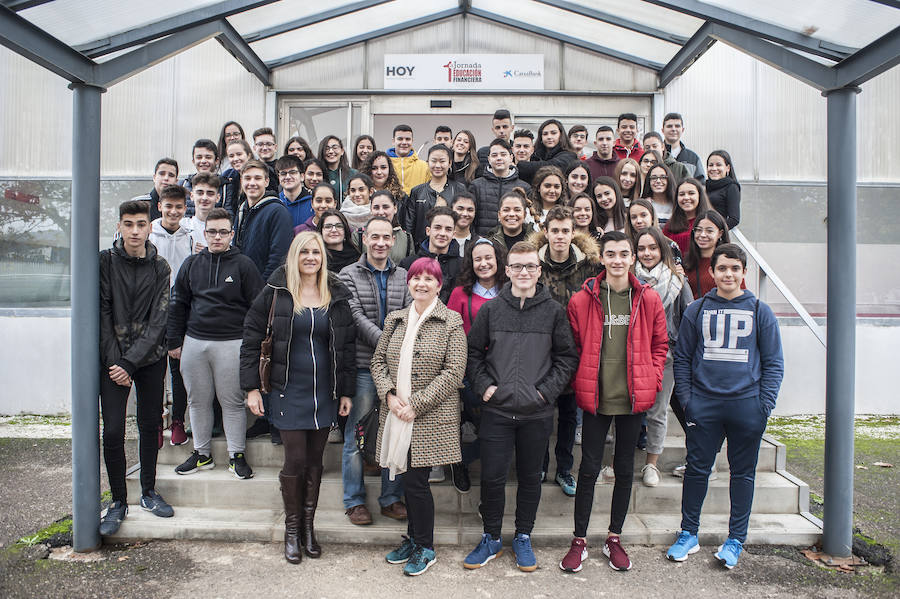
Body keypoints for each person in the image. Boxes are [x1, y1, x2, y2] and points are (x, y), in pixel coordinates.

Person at [463, 241, 579, 572]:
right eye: (517, 266)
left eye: (530, 266)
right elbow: (472, 354)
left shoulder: (553, 311)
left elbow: (566, 357)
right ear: (507, 270)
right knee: (492, 477)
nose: (523, 272)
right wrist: (484, 387)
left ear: (539, 270)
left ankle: (523, 536)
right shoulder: (492, 310)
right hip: (497, 412)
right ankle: (491, 538)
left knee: (530, 478)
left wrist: (545, 393)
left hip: (536, 412)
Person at [666, 243, 784, 569]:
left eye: (735, 268)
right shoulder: (697, 310)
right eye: (722, 268)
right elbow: (683, 358)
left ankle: (735, 539)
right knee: (697, 471)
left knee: (742, 474)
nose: (728, 274)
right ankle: (688, 533)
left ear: (744, 272)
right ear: (712, 272)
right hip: (704, 405)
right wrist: (688, 402)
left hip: (747, 407)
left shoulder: (760, 311)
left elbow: (774, 363)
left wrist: (764, 405)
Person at [241, 232, 356, 563]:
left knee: (316, 462)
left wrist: (346, 391)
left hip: (324, 394)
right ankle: (292, 531)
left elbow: (346, 347)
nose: (310, 257)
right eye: (304, 251)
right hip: (286, 390)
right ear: (294, 256)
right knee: (295, 461)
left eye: (316, 252)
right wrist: (251, 388)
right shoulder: (275, 293)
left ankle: (308, 528)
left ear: (323, 257)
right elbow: (251, 339)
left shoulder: (334, 293)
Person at [559, 230, 668, 573]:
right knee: (588, 469)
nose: (618, 260)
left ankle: (613, 537)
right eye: (611, 254)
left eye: (624, 253)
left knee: (624, 470)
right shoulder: (582, 299)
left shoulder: (648, 298)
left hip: (633, 398)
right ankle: (579, 540)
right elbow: (573, 347)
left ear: (632, 257)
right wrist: (581, 380)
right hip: (596, 397)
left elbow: (660, 345)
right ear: (602, 258)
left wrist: (652, 380)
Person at [373, 257, 468, 576]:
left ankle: (425, 547)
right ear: (409, 282)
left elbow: (454, 372)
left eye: (430, 279)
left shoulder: (451, 321)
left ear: (440, 285)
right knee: (407, 482)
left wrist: (416, 403)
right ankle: (414, 539)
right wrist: (388, 394)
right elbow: (377, 363)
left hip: (429, 417)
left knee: (416, 483)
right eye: (416, 278)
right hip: (396, 413)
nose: (422, 283)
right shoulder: (395, 320)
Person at [169, 207, 264, 479]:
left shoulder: (244, 265)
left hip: (232, 343)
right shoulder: (191, 264)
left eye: (223, 232)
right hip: (195, 342)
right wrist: (174, 341)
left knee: (232, 402)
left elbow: (258, 308)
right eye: (212, 232)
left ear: (232, 234)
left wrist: (251, 344)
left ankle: (236, 455)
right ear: (205, 232)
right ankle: (202, 454)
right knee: (197, 401)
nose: (217, 237)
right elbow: (178, 304)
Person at [98, 200, 174, 536]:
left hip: (150, 359)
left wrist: (130, 363)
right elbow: (101, 314)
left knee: (149, 424)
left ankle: (147, 491)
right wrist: (117, 362)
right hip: (113, 360)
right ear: (119, 226)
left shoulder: (160, 267)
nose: (134, 230)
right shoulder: (104, 262)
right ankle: (118, 500)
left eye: (140, 224)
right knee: (113, 430)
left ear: (149, 226)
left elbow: (159, 321)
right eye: (128, 224)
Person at [337, 216, 411, 526]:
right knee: (357, 436)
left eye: (386, 237)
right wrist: (386, 344)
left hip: (398, 369)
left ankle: (390, 498)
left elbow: (410, 312)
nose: (380, 242)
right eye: (374, 237)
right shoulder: (347, 275)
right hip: (364, 366)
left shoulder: (404, 276)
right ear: (364, 239)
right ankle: (354, 501)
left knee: (395, 434)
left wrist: (392, 351)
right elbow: (352, 315)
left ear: (393, 241)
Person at [531, 206, 601, 498]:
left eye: (565, 231)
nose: (559, 236)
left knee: (570, 416)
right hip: (541, 351)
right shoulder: (533, 264)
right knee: (543, 412)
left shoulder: (590, 267)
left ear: (574, 234)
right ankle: (540, 466)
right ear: (546, 232)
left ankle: (564, 468)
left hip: (576, 351)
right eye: (554, 230)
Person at [445, 239, 509, 492]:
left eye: (488, 258)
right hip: (468, 369)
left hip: (502, 368)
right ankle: (458, 462)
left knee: (493, 429)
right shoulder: (461, 293)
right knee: (476, 415)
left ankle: (475, 465)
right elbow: (450, 332)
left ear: (498, 260)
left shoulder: (509, 290)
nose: (483, 264)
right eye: (478, 259)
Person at [633, 227, 693, 487]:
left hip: (666, 355)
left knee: (658, 411)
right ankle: (615, 462)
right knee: (627, 410)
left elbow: (689, 320)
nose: (647, 253)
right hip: (632, 353)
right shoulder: (627, 279)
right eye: (642, 248)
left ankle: (652, 464)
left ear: (662, 250)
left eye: (653, 248)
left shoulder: (678, 282)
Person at [148, 185, 193, 447]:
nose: (173, 211)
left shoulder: (191, 234)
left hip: (181, 309)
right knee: (155, 370)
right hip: (153, 308)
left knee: (178, 369)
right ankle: (155, 420)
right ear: (160, 207)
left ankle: (178, 420)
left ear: (185, 209)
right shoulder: (150, 233)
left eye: (179, 207)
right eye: (169, 206)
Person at [234, 159, 294, 280]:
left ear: (266, 182)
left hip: (264, 289)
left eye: (257, 178)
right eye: (247, 178)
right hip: (242, 286)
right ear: (241, 181)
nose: (252, 183)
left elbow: (279, 257)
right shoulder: (241, 209)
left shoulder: (278, 211)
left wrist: (263, 289)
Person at [402, 144, 466, 245]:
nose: (437, 165)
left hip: (452, 247)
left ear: (449, 163)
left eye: (442, 161)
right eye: (434, 161)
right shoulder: (417, 192)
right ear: (427, 162)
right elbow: (409, 226)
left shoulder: (460, 189)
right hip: (422, 248)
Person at [469, 138, 531, 235]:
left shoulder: (524, 187)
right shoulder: (476, 186)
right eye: (494, 155)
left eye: (503, 154)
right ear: (489, 159)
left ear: (511, 158)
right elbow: (470, 218)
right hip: (483, 243)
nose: (499, 158)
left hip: (514, 244)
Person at [401, 206, 462, 302]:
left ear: (453, 234)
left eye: (448, 229)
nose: (442, 233)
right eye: (437, 228)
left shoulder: (462, 266)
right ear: (428, 231)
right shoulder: (408, 264)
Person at [684, 210, 740, 299]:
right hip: (694, 312)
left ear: (720, 233)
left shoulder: (730, 263)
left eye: (709, 231)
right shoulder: (686, 263)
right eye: (698, 230)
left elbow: (740, 296)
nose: (702, 235)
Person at [516, 119, 578, 185]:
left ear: (561, 135)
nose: (549, 137)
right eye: (545, 134)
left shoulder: (569, 156)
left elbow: (551, 166)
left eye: (553, 133)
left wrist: (519, 165)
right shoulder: (536, 155)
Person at [627, 198, 684, 267]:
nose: (639, 221)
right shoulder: (626, 247)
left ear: (652, 217)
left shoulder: (670, 246)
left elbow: (678, 274)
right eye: (634, 217)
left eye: (643, 215)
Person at [664, 178, 713, 255]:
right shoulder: (670, 225)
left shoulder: (711, 221)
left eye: (691, 193)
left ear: (699, 196)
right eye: (682, 194)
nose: (686, 198)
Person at [368, 190, 414, 264]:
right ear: (371, 209)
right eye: (376, 208)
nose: (381, 212)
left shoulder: (406, 238)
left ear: (395, 208)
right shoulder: (359, 235)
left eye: (385, 207)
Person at [662, 112, 705, 183]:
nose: (673, 129)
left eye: (677, 126)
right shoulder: (657, 156)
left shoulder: (693, 158)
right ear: (663, 130)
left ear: (682, 130)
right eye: (669, 126)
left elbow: (701, 184)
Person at [484, 188, 532, 252]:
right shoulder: (489, 243)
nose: (511, 214)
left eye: (517, 210)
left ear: (525, 215)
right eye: (506, 210)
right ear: (499, 214)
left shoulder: (537, 242)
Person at [388, 124, 431, 195]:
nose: (404, 142)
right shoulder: (384, 166)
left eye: (407, 139)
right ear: (393, 141)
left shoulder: (424, 167)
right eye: (400, 139)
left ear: (412, 141)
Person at [132, 158, 178, 222]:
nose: (166, 178)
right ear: (154, 177)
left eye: (171, 175)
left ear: (176, 181)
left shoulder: (180, 208)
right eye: (162, 174)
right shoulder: (137, 204)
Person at [705, 150, 741, 229]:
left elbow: (734, 219)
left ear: (727, 168)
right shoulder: (703, 186)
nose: (714, 168)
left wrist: (717, 231)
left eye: (718, 165)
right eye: (711, 165)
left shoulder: (731, 187)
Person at [318, 209, 360, 273]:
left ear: (345, 230)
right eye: (328, 226)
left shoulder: (357, 257)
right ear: (321, 231)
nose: (334, 230)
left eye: (339, 226)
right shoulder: (316, 259)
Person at [319, 135, 358, 203]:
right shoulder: (318, 174)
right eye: (327, 148)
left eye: (335, 147)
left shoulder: (353, 174)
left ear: (342, 151)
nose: (331, 151)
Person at [276, 155, 310, 229]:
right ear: (279, 177)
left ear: (302, 176)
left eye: (292, 172)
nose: (288, 177)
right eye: (283, 173)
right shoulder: (275, 203)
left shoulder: (313, 204)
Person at [188, 172, 219, 253]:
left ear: (218, 198)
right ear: (192, 196)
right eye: (200, 193)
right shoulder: (182, 227)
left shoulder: (226, 230)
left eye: (210, 193)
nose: (204, 198)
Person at [476, 109, 514, 175]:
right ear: (493, 130)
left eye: (505, 127)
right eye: (498, 127)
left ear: (512, 128)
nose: (501, 131)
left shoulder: (518, 152)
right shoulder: (482, 153)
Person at [222, 140, 253, 216]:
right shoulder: (227, 175)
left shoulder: (259, 175)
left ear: (248, 155)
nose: (235, 159)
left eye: (239, 154)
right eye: (231, 156)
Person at [642, 160, 677, 225]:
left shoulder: (676, 205)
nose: (658, 181)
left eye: (663, 177)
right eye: (654, 177)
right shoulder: (644, 205)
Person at [450, 191, 480, 256]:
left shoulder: (480, 243)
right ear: (451, 209)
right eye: (460, 209)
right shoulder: (442, 240)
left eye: (470, 210)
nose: (465, 214)